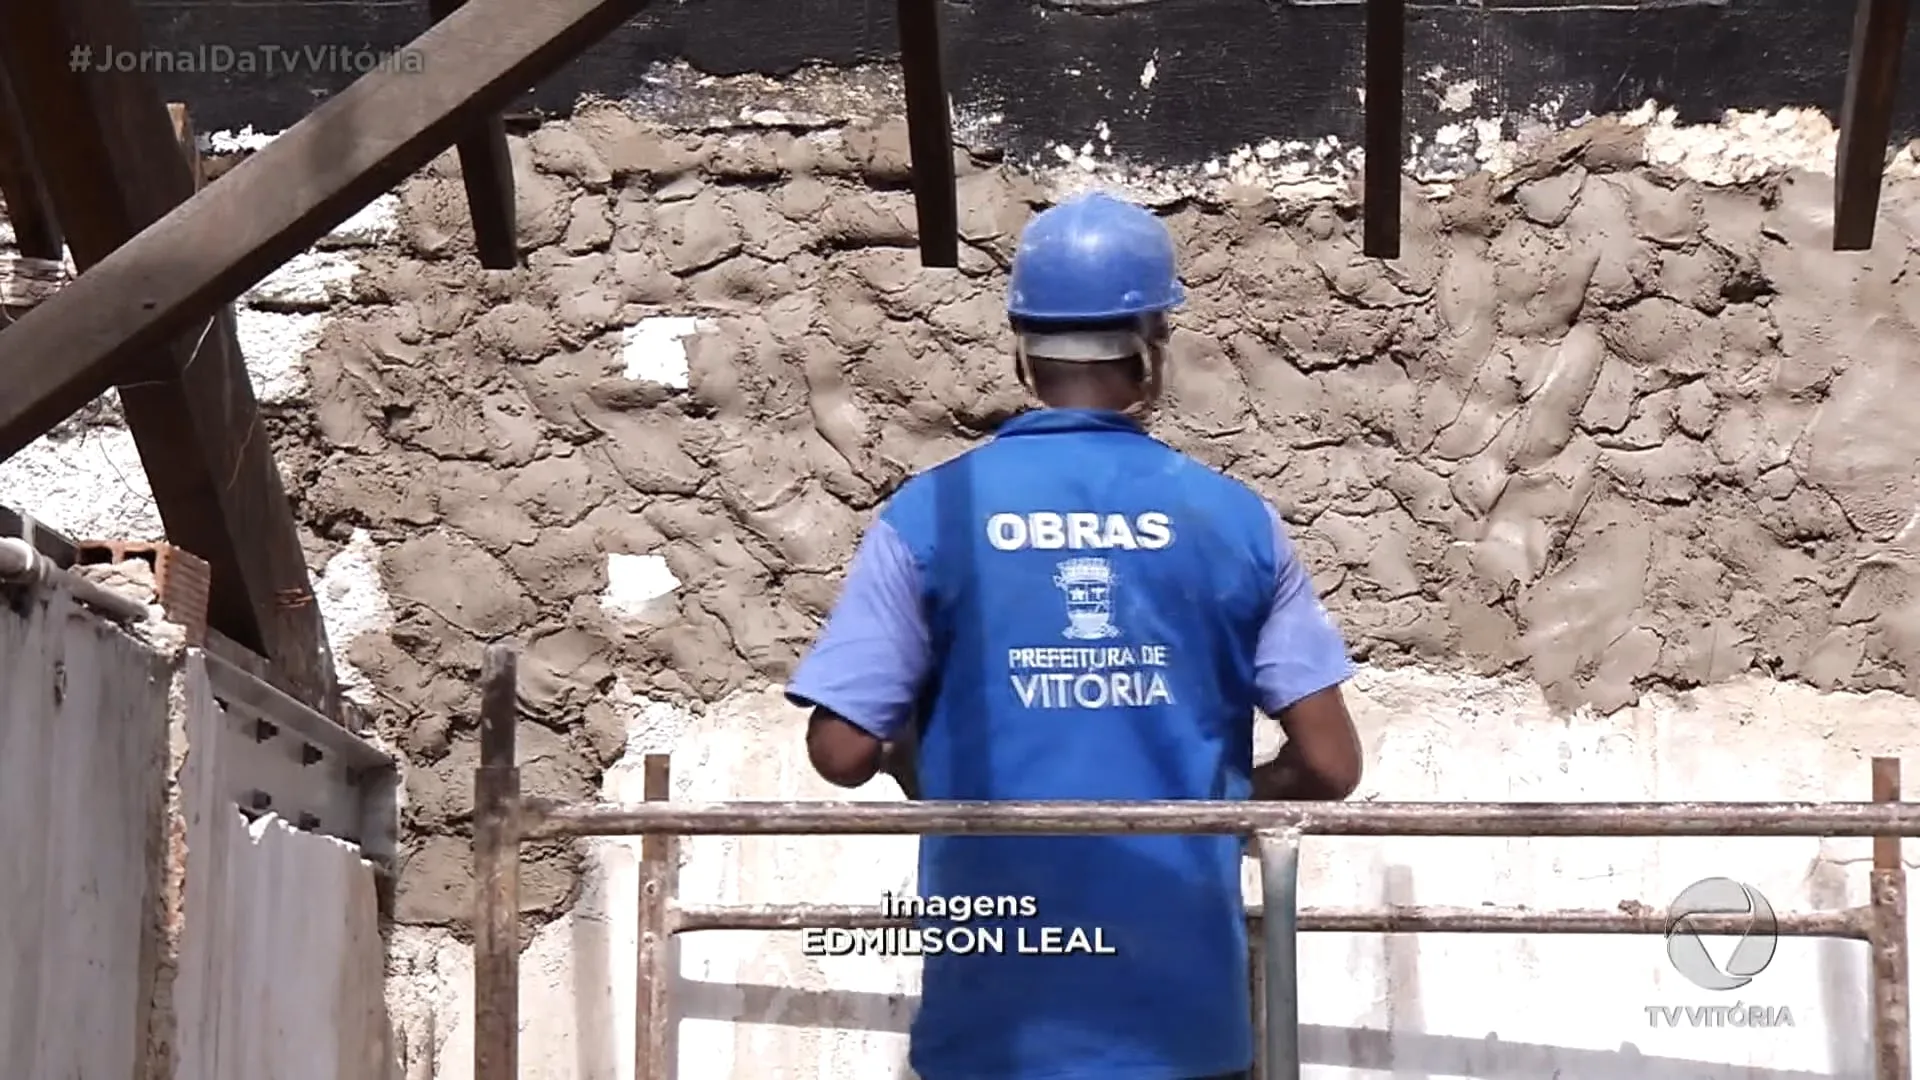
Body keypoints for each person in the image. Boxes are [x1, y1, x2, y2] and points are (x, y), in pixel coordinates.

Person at [785, 191, 1363, 1080]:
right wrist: (1203, 802)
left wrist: (932, 765)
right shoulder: (1234, 520)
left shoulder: (933, 513)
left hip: (992, 1031)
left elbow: (841, 747)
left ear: (1024, 351)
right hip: (1182, 1030)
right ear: (1154, 346)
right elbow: (1329, 764)